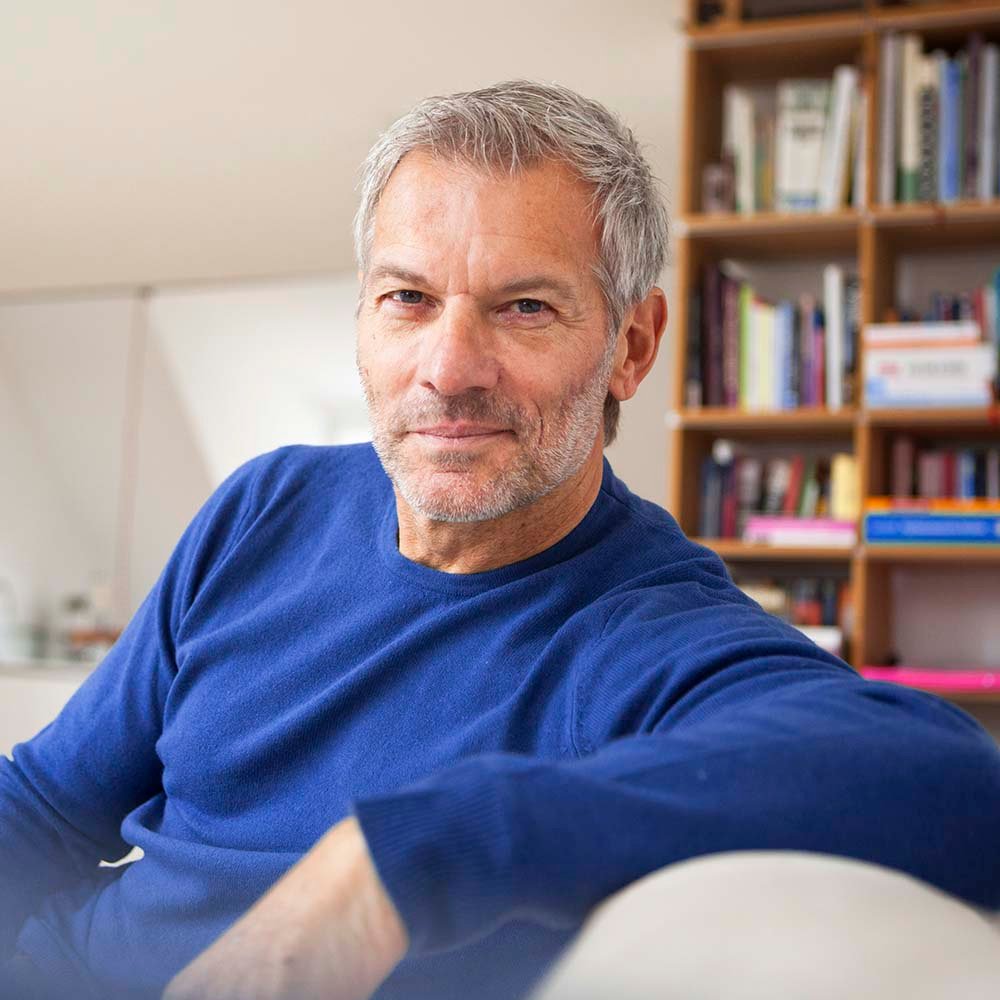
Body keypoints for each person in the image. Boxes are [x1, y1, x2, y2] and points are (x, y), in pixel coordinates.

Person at [1, 80, 999, 1000]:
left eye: (524, 307)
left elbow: (956, 787)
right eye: (409, 298)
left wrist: (406, 855)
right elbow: (47, 803)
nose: (449, 367)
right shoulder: (267, 504)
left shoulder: (651, 634)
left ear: (631, 348)